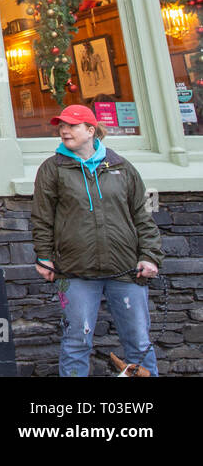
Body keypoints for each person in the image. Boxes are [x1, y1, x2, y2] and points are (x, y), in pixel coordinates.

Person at [32, 104, 163, 376]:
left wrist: (150, 255)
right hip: (75, 271)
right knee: (76, 342)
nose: (64, 130)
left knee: (139, 343)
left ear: (91, 130)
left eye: (72, 125)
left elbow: (142, 214)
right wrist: (43, 256)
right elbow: (42, 218)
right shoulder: (52, 169)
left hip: (126, 270)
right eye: (61, 125)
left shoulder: (121, 167)